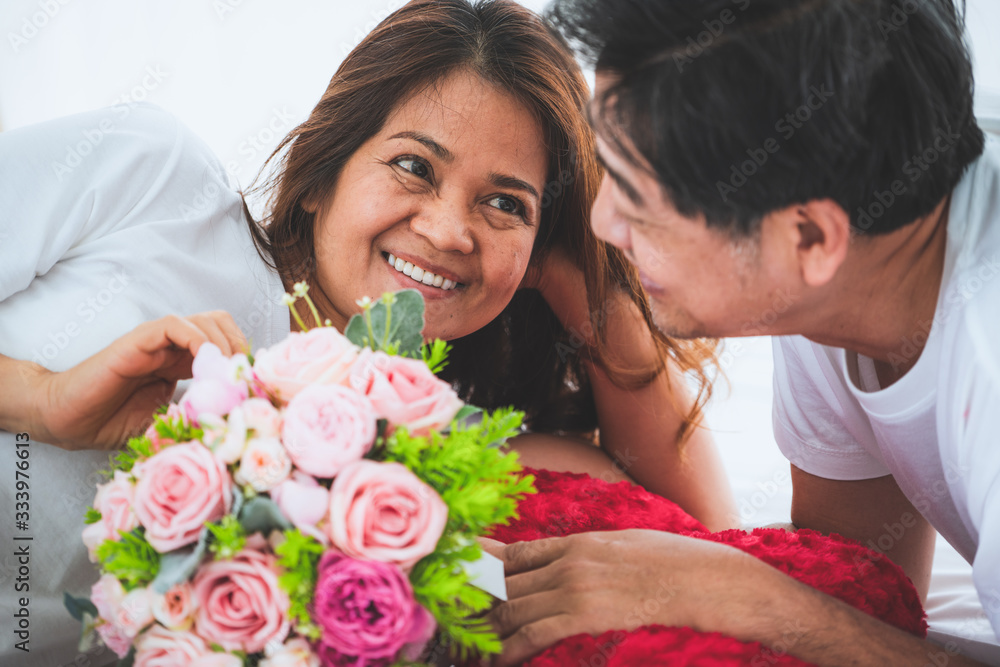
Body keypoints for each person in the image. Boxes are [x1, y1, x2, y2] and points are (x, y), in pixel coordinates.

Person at [0, 1, 734, 664]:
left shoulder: (420, 469)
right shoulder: (152, 179)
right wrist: (38, 397)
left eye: (504, 204)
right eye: (414, 166)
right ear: (320, 174)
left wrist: (583, 273)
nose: (448, 230)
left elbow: (701, 542)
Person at [486, 0, 1000, 665]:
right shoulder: (839, 279)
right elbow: (864, 596)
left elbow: (807, 616)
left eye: (640, 203)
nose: (601, 222)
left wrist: (741, 592)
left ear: (809, 238)